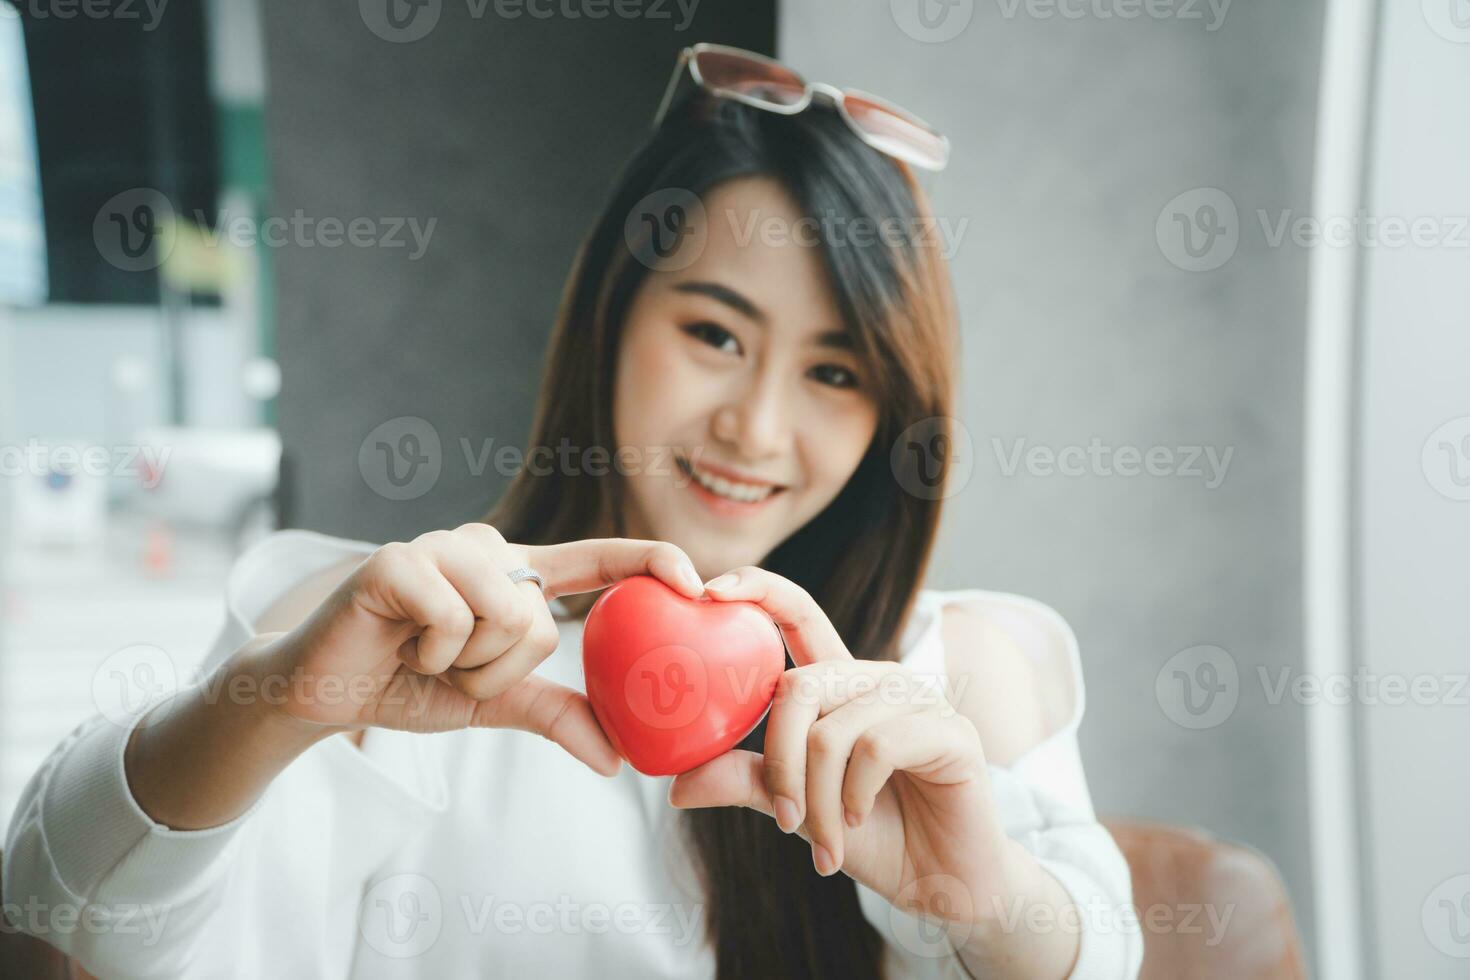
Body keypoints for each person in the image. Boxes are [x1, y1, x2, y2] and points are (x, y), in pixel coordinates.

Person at [3, 44, 1142, 980]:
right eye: (715, 333)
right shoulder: (373, 644)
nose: (754, 425)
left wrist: (985, 903)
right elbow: (67, 925)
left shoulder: (953, 678)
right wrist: (266, 711)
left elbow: (1104, 947)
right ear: (611, 314)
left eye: (834, 374)